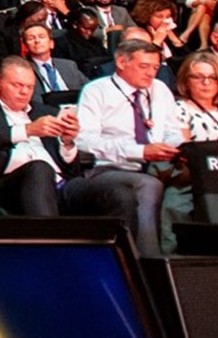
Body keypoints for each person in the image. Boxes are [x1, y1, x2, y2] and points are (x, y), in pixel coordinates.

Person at [0, 56, 142, 222]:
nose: (24, 92)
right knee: (40, 168)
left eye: (30, 87)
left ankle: (117, 255)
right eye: (17, 85)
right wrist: (28, 130)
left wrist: (68, 143)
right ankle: (53, 251)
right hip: (9, 185)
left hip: (59, 184)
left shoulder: (46, 111)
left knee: (119, 194)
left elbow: (72, 169)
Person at [75, 39, 183, 256]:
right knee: (148, 185)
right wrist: (140, 151)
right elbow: (85, 141)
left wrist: (169, 148)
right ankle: (148, 263)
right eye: (144, 66)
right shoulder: (97, 91)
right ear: (121, 62)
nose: (151, 73)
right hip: (110, 169)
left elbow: (174, 132)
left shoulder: (160, 90)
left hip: (158, 164)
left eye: (155, 67)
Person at [20, 23, 88, 103]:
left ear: (51, 44)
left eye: (41, 37)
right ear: (25, 46)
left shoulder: (69, 65)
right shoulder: (22, 69)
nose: (37, 41)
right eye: (31, 38)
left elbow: (90, 88)